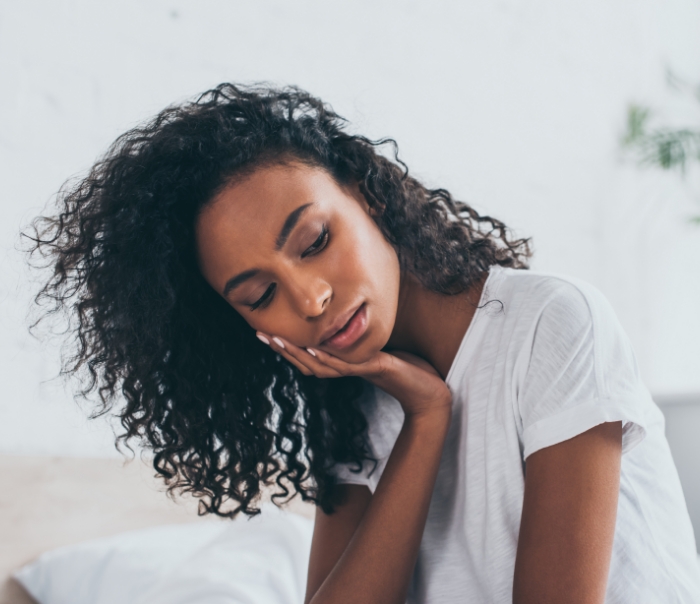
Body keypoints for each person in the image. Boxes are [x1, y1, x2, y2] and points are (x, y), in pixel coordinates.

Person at [26, 83, 700, 604]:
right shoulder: (347, 404)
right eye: (260, 296)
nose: (311, 298)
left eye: (315, 241)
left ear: (366, 195)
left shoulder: (551, 324)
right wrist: (426, 418)